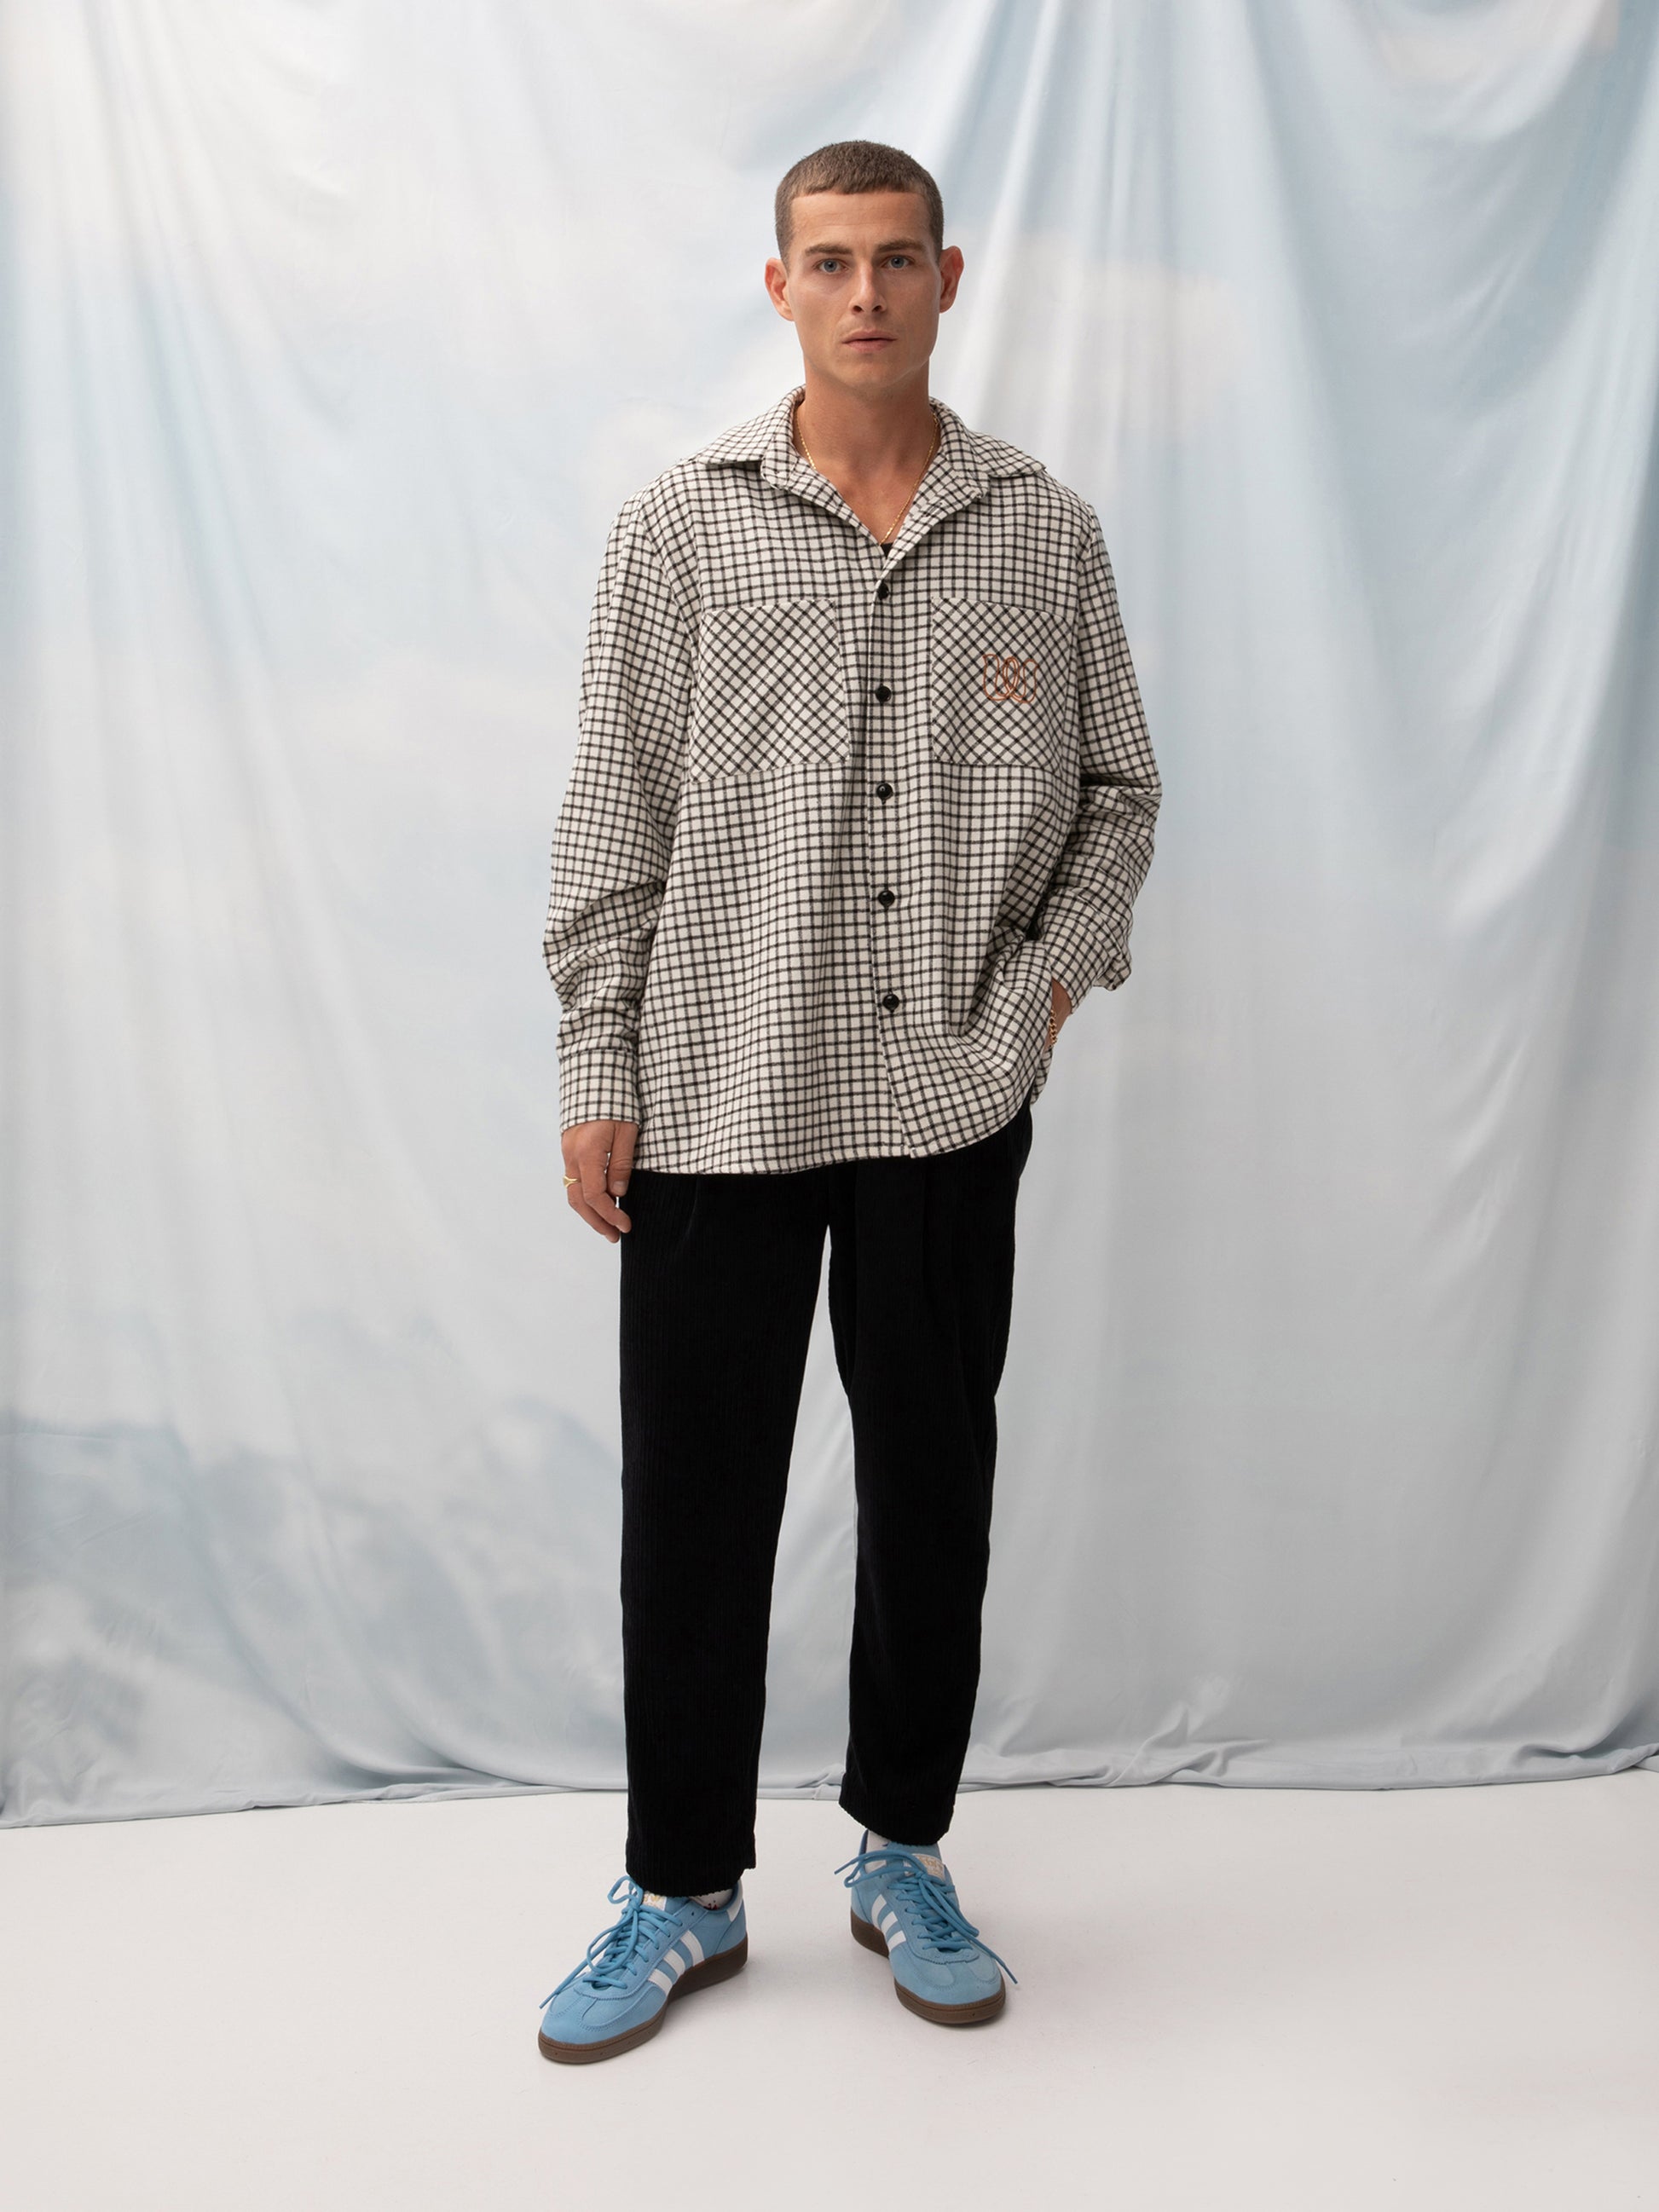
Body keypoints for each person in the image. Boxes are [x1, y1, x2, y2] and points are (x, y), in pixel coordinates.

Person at [537, 139, 1160, 2064]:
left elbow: (1119, 794)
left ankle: (903, 1846)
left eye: (897, 259)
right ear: (779, 284)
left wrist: (1040, 992)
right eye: (830, 261)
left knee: (930, 1488)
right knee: (695, 1504)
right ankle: (680, 1886)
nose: (865, 292)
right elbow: (613, 805)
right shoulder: (677, 529)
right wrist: (597, 1057)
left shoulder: (1041, 531)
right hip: (717, 1089)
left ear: (948, 278)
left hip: (947, 1099)